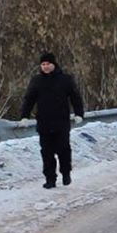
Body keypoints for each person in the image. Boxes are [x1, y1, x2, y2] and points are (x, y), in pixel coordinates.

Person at [20, 52, 84, 189]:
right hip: (44, 122)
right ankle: (50, 179)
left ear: (54, 64)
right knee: (46, 152)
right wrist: (24, 116)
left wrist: (79, 113)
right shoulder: (36, 80)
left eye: (48, 64)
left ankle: (66, 173)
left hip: (61, 122)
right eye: (43, 64)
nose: (45, 66)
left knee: (63, 149)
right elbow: (29, 99)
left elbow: (75, 97)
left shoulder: (65, 79)